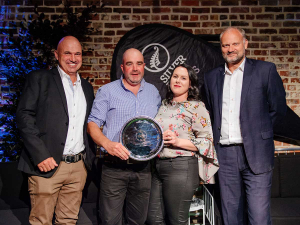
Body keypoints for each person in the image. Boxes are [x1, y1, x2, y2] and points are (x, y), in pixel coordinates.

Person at [203, 27, 287, 225]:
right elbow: (210, 113)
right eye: (225, 45)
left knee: (258, 217)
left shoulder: (265, 70)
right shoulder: (211, 77)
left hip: (257, 154)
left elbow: (278, 109)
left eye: (235, 44)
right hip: (224, 156)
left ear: (245, 44)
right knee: (231, 217)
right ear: (221, 48)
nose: (230, 49)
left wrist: (258, 134)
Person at [16, 36, 95, 225]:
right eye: (67, 53)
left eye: (77, 53)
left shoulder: (86, 87)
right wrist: (40, 155)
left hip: (78, 166)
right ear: (56, 55)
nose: (73, 58)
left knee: (68, 220)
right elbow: (24, 117)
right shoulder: (39, 79)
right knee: (41, 221)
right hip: (47, 164)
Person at [87, 48, 161, 225]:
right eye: (129, 64)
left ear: (144, 66)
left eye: (138, 64)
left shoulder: (153, 92)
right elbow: (92, 124)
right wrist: (107, 144)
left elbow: (158, 127)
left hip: (143, 169)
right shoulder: (107, 91)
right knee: (110, 221)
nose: (134, 68)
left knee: (137, 221)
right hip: (114, 168)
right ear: (122, 67)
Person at [146, 63, 219, 225]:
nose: (178, 81)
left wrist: (178, 141)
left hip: (181, 167)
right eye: (175, 76)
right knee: (153, 219)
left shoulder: (197, 107)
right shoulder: (164, 105)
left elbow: (207, 143)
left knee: (178, 220)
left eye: (183, 78)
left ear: (190, 84)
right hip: (157, 166)